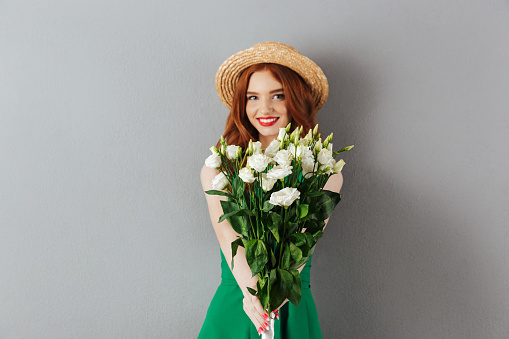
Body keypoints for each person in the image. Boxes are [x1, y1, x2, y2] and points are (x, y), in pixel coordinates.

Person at [199, 42, 343, 339]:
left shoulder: (324, 173)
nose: (264, 108)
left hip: (289, 300)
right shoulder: (219, 168)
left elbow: (303, 244)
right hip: (237, 301)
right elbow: (227, 234)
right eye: (253, 97)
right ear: (242, 103)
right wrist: (253, 295)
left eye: (278, 95)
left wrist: (272, 297)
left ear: (297, 100)